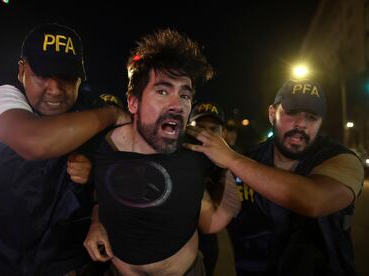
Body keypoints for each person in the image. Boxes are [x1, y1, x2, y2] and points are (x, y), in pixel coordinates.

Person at [0, 23, 127, 276]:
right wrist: (111, 113)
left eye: (66, 77)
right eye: (42, 75)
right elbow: (36, 142)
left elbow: (124, 180)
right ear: (22, 71)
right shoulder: (4, 97)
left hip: (67, 266)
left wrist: (96, 179)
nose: (54, 89)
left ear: (80, 78)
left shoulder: (93, 111)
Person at [83, 29, 241, 275]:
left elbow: (213, 222)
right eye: (163, 91)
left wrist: (230, 166)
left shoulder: (198, 150)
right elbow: (99, 199)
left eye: (185, 94)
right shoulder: (103, 148)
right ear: (133, 102)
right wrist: (96, 223)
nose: (177, 105)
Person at [185, 79, 364, 275]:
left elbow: (314, 201)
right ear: (272, 114)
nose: (301, 124)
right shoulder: (247, 160)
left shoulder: (341, 159)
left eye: (312, 117)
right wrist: (193, 171)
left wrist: (231, 159)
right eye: (292, 113)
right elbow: (213, 222)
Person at [188, 102, 228, 276]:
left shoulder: (226, 166)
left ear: (223, 134)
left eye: (213, 129)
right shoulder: (172, 156)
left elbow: (213, 221)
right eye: (200, 127)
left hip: (205, 242)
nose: (205, 134)